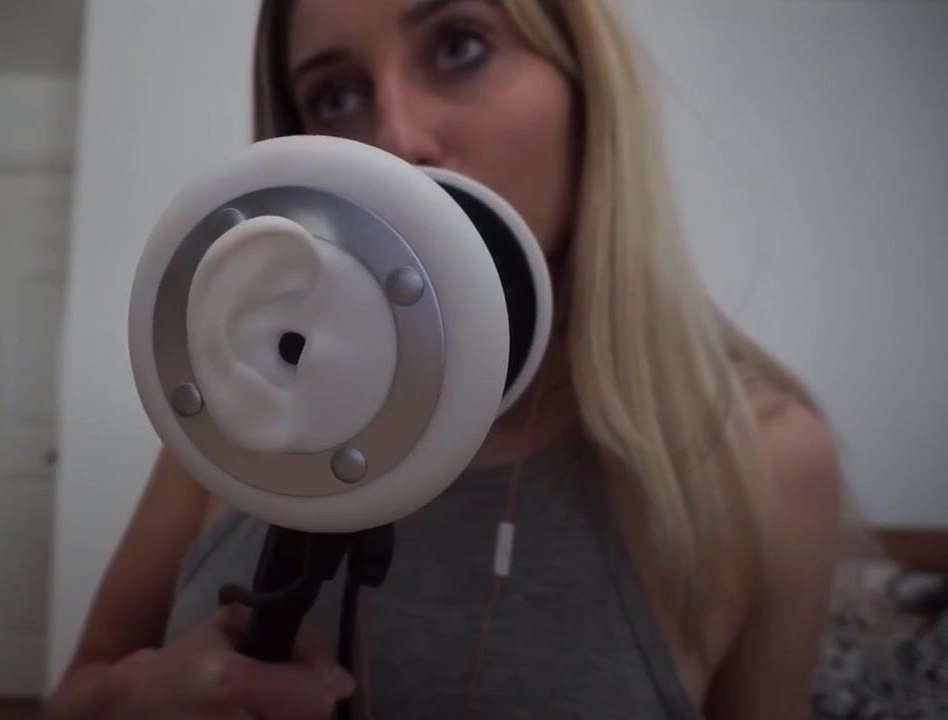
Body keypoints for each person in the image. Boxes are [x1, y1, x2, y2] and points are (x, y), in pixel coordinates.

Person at [47, 0, 845, 717]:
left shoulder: (765, 462)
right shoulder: (245, 407)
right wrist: (132, 702)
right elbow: (84, 685)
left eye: (460, 47)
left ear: (587, 87)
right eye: (336, 98)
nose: (400, 141)